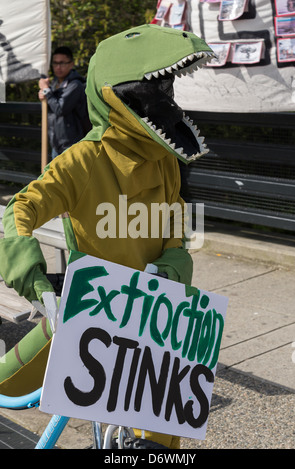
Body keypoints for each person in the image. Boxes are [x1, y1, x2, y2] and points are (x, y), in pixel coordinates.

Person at [0, 24, 214, 449]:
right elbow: (19, 211)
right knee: (6, 386)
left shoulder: (166, 162)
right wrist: (29, 270)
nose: (166, 97)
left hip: (154, 318)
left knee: (157, 445)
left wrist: (173, 263)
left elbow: (174, 223)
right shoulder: (83, 159)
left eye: (167, 87)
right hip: (89, 315)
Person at [38, 46, 91, 159]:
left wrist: (47, 91)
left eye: (62, 63)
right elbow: (51, 106)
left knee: (72, 177)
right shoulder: (54, 83)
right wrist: (43, 96)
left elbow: (60, 109)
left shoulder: (75, 85)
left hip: (71, 144)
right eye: (55, 63)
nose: (58, 67)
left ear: (71, 64)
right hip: (56, 144)